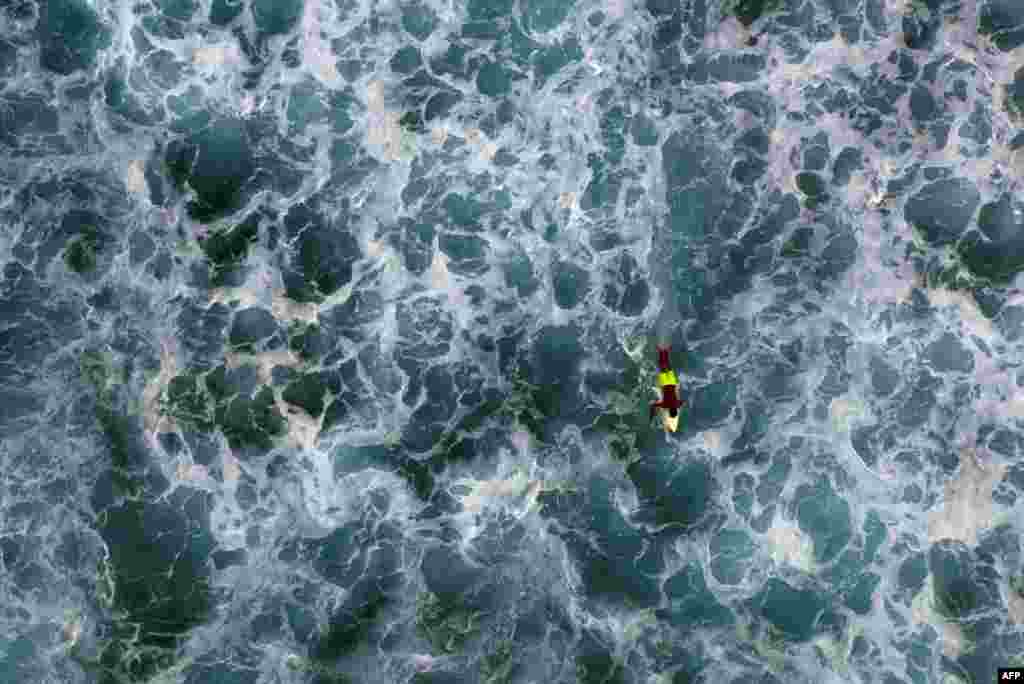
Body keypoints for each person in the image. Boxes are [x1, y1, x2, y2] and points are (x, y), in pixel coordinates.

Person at [650, 345, 685, 422]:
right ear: (669, 411)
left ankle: (666, 351)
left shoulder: (677, 404)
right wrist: (652, 414)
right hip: (665, 384)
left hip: (672, 383)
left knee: (668, 366)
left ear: (675, 410)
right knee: (662, 366)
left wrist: (681, 404)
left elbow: (683, 402)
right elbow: (654, 405)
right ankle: (660, 351)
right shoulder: (665, 405)